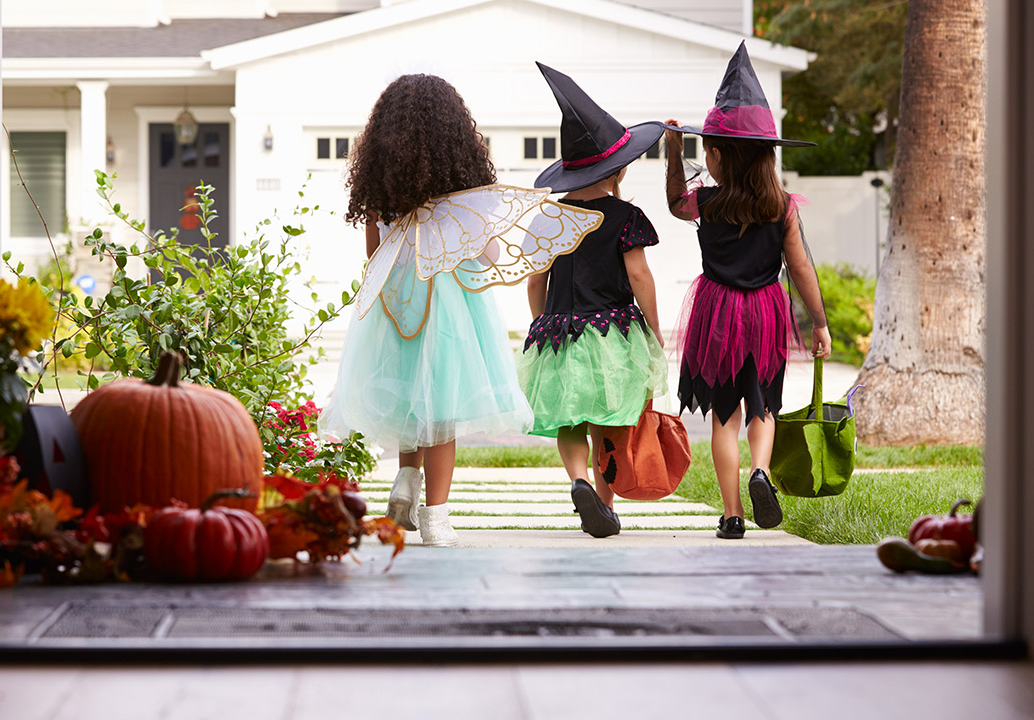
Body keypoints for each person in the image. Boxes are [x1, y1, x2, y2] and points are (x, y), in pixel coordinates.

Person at [321, 74, 602, 546]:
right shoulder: (463, 197)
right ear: (456, 138)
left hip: (395, 305)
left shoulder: (382, 196)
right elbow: (489, 255)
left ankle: (405, 481)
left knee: (410, 394)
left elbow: (373, 258)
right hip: (450, 308)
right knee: (442, 407)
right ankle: (437, 518)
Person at [663, 42, 831, 539]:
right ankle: (761, 470)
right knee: (763, 406)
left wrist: (674, 150)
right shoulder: (782, 205)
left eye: (707, 151)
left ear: (714, 156)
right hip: (765, 311)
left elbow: (675, 202)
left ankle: (732, 513)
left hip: (717, 313)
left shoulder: (707, 203)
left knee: (723, 416)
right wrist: (819, 322)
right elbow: (799, 267)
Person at [516, 63, 669, 539]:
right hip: (613, 333)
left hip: (560, 331)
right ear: (618, 169)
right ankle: (603, 502)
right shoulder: (626, 216)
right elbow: (639, 275)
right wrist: (654, 329)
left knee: (568, 418)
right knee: (608, 418)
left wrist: (543, 323)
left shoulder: (549, 220)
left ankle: (579, 481)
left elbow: (533, 281)